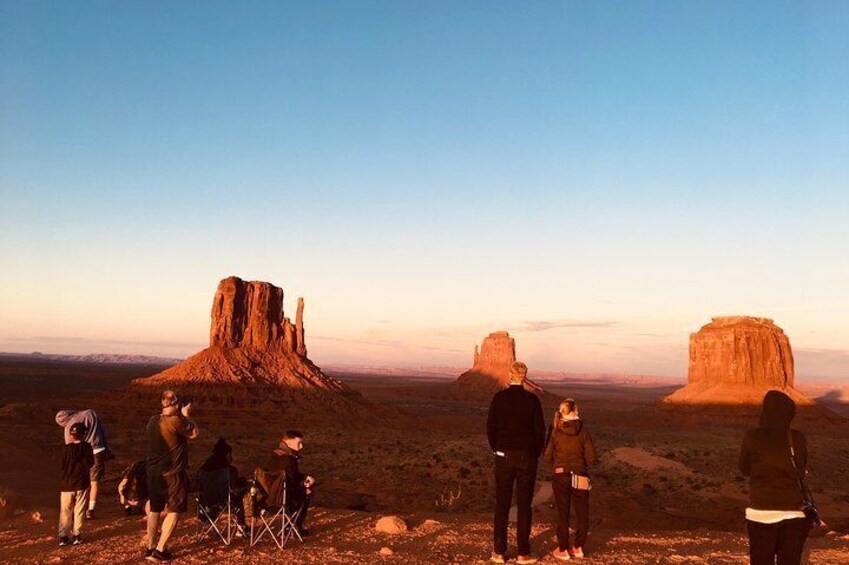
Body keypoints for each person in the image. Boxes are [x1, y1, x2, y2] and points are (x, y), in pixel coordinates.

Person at [740, 390, 812, 565]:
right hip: (794, 511)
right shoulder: (797, 438)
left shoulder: (752, 437)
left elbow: (745, 469)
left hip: (761, 511)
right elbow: (801, 471)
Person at [486, 361, 546, 564]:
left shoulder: (499, 398)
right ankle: (523, 553)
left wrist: (497, 449)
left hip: (503, 457)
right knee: (524, 506)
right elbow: (540, 431)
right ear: (525, 376)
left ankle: (499, 552)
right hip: (527, 458)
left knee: (502, 504)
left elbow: (490, 428)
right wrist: (535, 453)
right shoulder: (532, 400)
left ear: (510, 375)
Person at [145, 390, 199, 562]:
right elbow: (195, 433)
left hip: (154, 473)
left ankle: (150, 546)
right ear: (176, 405)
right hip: (173, 474)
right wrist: (187, 415)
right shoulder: (175, 420)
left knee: (155, 509)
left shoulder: (153, 420)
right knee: (175, 510)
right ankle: (160, 551)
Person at [543, 398, 598, 561]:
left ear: (562, 413)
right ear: (576, 412)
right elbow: (592, 457)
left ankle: (563, 549)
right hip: (580, 474)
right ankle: (578, 547)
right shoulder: (584, 431)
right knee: (582, 512)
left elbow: (547, 458)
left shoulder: (555, 431)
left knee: (563, 513)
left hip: (560, 475)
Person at [55, 408, 111, 519]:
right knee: (94, 482)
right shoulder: (91, 413)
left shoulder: (68, 426)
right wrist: (107, 448)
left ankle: (78, 509)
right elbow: (103, 431)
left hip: (82, 454)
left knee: (81, 481)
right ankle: (90, 510)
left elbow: (70, 447)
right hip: (97, 450)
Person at [264, 430, 316, 535]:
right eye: (299, 443)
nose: (301, 446)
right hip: (283, 501)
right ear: (288, 443)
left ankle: (290, 526)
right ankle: (295, 526)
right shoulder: (289, 460)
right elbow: (293, 483)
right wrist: (305, 485)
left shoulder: (274, 455)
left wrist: (304, 477)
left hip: (266, 500)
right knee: (306, 492)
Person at [58, 422, 94, 546]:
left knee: (65, 511)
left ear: (71, 435)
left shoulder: (66, 449)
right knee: (79, 510)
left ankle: (63, 537)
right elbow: (91, 463)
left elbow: (61, 466)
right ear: (84, 434)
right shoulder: (87, 447)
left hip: (66, 484)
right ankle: (77, 535)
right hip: (82, 483)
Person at [200, 437, 248, 528]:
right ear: (228, 455)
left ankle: (210, 521)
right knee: (241, 495)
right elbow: (233, 487)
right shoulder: (229, 470)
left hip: (205, 502)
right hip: (223, 501)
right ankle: (242, 525)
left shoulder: (203, 469)